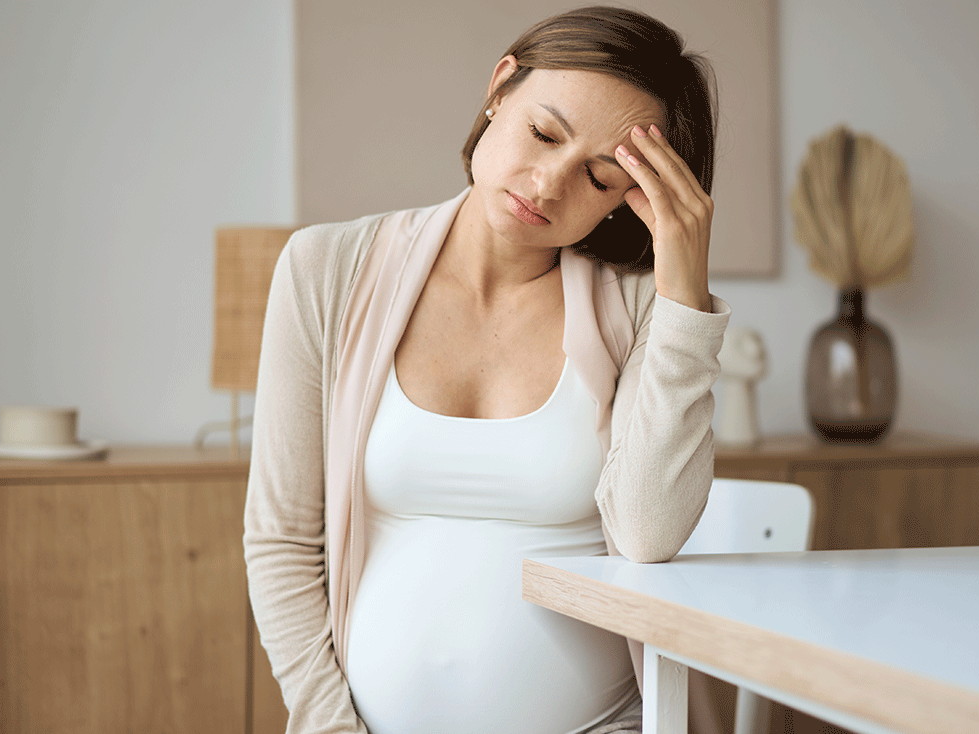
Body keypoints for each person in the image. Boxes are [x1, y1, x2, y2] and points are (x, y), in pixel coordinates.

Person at [244, 6, 730, 733]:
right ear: (500, 87)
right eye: (543, 133)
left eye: (598, 176)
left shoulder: (640, 308)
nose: (548, 184)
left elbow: (646, 533)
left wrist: (683, 297)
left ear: (628, 201)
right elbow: (281, 543)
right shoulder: (325, 270)